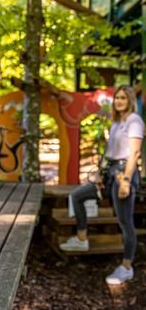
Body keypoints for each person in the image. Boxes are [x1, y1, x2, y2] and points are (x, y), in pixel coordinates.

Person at [60, 85, 143, 284]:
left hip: (124, 173)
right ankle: (81, 239)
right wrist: (99, 173)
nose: (119, 101)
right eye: (117, 98)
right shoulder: (116, 122)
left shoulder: (134, 121)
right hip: (109, 173)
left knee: (125, 222)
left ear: (130, 100)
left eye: (123, 98)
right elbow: (109, 152)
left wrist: (126, 182)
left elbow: (134, 153)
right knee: (77, 195)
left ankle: (126, 267)